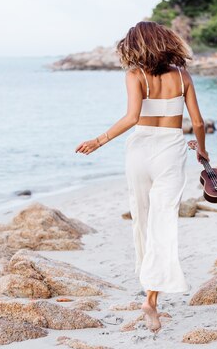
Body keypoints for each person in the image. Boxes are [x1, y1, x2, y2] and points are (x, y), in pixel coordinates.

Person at [75, 21, 209, 332]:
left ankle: (148, 286)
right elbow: (198, 122)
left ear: (135, 46)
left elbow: (132, 117)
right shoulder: (182, 76)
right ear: (165, 42)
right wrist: (202, 151)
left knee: (143, 218)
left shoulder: (135, 75)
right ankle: (151, 298)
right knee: (163, 222)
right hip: (170, 150)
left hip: (139, 149)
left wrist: (98, 141)